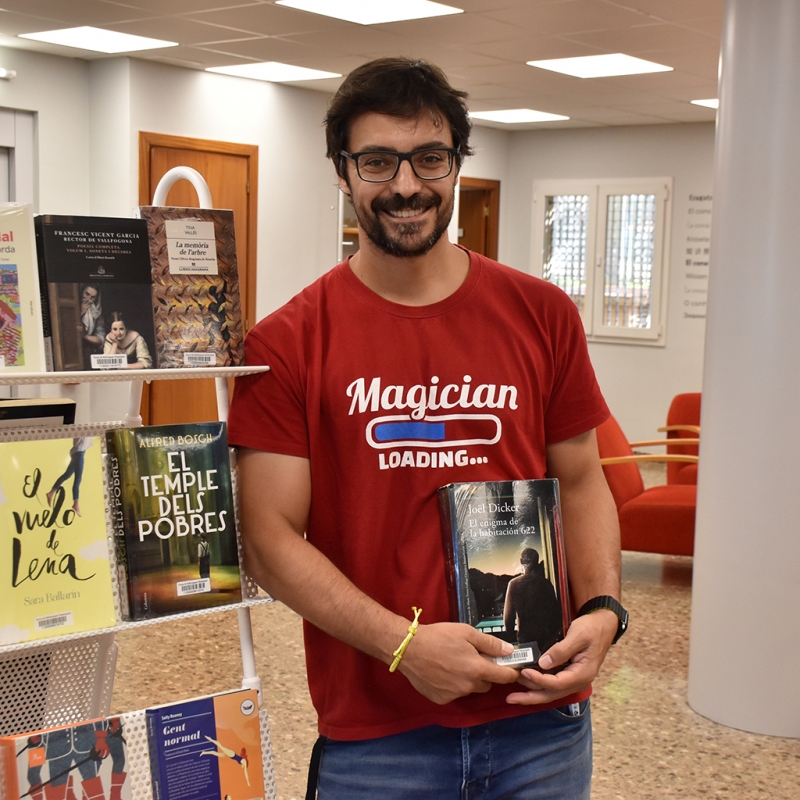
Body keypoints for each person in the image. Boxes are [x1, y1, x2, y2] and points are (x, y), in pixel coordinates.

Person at [228, 57, 627, 799]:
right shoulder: (288, 342)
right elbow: (268, 542)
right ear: (342, 172)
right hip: (381, 739)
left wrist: (604, 609)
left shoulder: (542, 314)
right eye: (378, 161)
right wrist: (404, 646)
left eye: (429, 159)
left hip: (541, 718)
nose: (406, 185)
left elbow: (581, 479)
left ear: (455, 166)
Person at [503, 548, 563, 653]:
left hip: (525, 640)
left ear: (521, 562)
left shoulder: (514, 584)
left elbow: (508, 620)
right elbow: (556, 616)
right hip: (545, 639)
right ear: (537, 562)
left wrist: (511, 641)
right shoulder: (545, 583)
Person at [47, 437, 92, 517]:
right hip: (79, 452)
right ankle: (76, 503)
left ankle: (51, 493)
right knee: (77, 479)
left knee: (67, 475)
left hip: (78, 452)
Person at [78, 284, 105, 368]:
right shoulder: (73, 306)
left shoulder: (97, 313)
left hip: (88, 353)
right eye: (87, 294)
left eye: (93, 297)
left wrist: (85, 336)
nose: (89, 299)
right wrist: (81, 312)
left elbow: (100, 339)